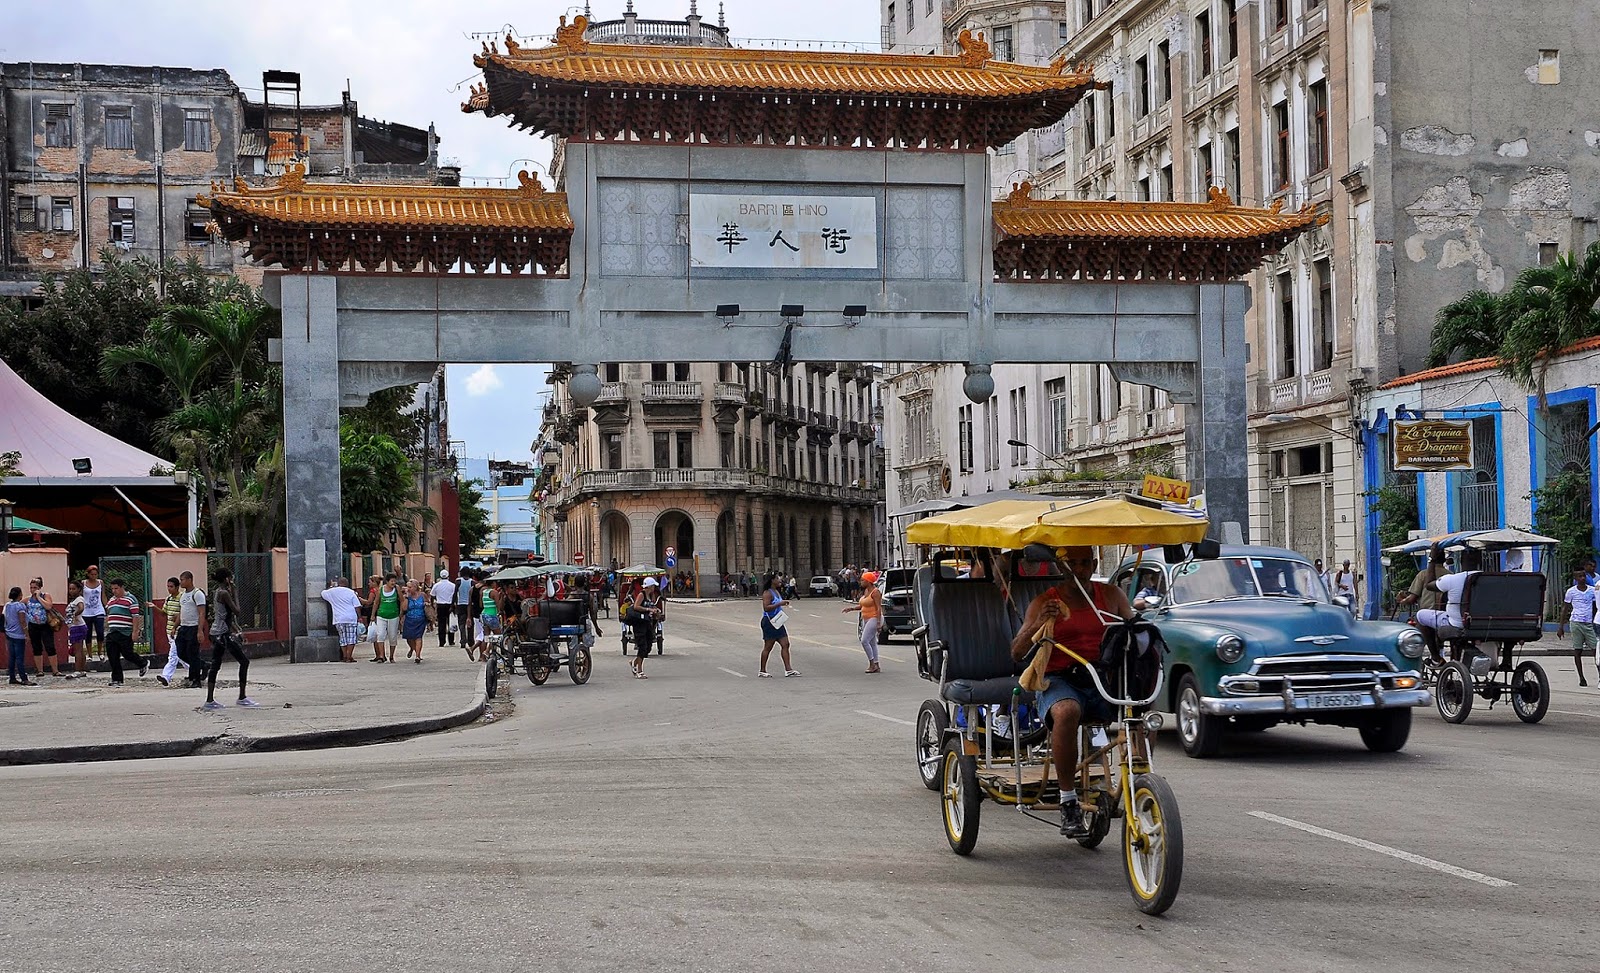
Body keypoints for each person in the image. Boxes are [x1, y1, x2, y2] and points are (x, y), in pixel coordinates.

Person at [1009, 546, 1135, 838]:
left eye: (1083, 563)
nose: (1078, 570)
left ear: (1094, 564)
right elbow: (1017, 652)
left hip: (1101, 678)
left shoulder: (1112, 596)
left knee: (1142, 708)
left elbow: (1132, 626)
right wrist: (1041, 622)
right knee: (1067, 711)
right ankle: (1068, 801)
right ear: (1060, 567)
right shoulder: (1045, 601)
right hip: (1059, 680)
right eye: (1071, 564)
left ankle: (1138, 781)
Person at [203, 568, 255, 709]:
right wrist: (236, 593)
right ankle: (242, 697)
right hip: (222, 634)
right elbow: (236, 611)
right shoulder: (224, 593)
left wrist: (237, 630)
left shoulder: (217, 592)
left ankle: (210, 700)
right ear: (227, 579)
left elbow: (225, 616)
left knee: (216, 665)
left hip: (217, 632)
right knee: (244, 661)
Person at [1417, 549, 1483, 652]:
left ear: (1460, 561)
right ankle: (1506, 658)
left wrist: (1431, 560)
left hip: (1456, 623)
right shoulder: (1493, 578)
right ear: (1480, 561)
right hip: (1485, 622)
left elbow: (1429, 585)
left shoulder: (1452, 579)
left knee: (1420, 615)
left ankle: (1435, 657)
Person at [1398, 545, 1448, 662]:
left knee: (1416, 622)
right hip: (1446, 614)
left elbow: (1411, 599)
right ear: (1444, 559)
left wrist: (1402, 601)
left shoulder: (1423, 575)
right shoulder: (1450, 574)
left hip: (1428, 615)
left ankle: (1434, 655)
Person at [1557, 567, 1598, 688]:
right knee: (1577, 650)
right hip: (1576, 622)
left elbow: (1596, 607)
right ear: (1575, 578)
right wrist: (1561, 626)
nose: (1582, 578)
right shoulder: (1571, 592)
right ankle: (1581, 677)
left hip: (1589, 623)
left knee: (1596, 650)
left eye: (1584, 576)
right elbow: (1565, 608)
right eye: (1580, 576)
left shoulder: (1592, 590)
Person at [103, 578, 148, 686]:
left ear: (122, 587)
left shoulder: (131, 599)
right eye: (112, 588)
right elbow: (110, 612)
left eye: (116, 588)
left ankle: (142, 663)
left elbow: (135, 617)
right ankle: (117, 679)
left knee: (127, 653)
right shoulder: (112, 600)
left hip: (125, 632)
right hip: (113, 631)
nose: (114, 591)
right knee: (113, 656)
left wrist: (135, 631)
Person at [758, 572, 799, 678]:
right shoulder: (768, 593)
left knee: (785, 644)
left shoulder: (776, 591)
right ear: (772, 580)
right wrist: (779, 604)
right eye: (777, 578)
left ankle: (788, 669)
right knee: (768, 646)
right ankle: (762, 670)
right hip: (769, 622)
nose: (779, 580)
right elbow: (766, 607)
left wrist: (782, 604)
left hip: (778, 621)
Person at [842, 570, 883, 673]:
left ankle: (872, 664)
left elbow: (878, 608)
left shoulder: (875, 592)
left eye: (863, 580)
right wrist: (851, 609)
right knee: (872, 642)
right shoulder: (865, 591)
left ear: (869, 581)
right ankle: (876, 665)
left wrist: (878, 623)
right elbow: (862, 605)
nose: (861, 582)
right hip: (866, 618)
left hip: (874, 618)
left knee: (864, 640)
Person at [172, 571, 209, 686]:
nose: (181, 582)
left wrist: (200, 630)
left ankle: (195, 679)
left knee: (193, 653)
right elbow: (181, 612)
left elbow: (201, 613)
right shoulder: (183, 595)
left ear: (189, 580)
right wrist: (175, 627)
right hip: (184, 627)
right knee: (181, 652)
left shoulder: (197, 594)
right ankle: (203, 665)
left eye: (182, 580)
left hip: (193, 627)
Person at [155, 577, 190, 687]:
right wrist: (154, 607)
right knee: (180, 656)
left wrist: (176, 624)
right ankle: (196, 670)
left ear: (177, 587)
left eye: (171, 587)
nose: (169, 589)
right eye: (168, 586)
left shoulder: (182, 598)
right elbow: (164, 613)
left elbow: (184, 613)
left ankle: (166, 676)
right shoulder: (169, 599)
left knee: (173, 655)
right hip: (170, 631)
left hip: (179, 631)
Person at [627, 577, 665, 678]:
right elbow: (636, 606)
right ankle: (639, 670)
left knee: (648, 645)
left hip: (647, 622)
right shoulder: (641, 594)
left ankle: (635, 663)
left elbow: (652, 606)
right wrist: (648, 609)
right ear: (649, 586)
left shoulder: (650, 596)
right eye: (653, 586)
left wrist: (655, 610)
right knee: (642, 646)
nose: (654, 588)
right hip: (639, 623)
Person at [321, 577, 363, 663]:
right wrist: (359, 617)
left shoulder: (332, 592)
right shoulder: (351, 592)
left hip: (339, 618)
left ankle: (344, 656)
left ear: (338, 583)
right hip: (351, 617)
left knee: (343, 638)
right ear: (347, 584)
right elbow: (357, 606)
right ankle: (349, 656)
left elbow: (323, 593)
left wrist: (331, 586)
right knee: (351, 638)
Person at [25, 578, 59, 679]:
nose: (32, 590)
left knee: (50, 646)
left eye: (35, 587)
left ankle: (55, 670)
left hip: (45, 625)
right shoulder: (28, 599)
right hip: (33, 625)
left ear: (40, 588)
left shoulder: (45, 596)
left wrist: (39, 597)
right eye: (31, 588)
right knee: (36, 648)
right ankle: (40, 670)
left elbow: (48, 606)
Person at [370, 573, 403, 663]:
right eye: (391, 581)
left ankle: (391, 656)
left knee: (392, 637)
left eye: (394, 581)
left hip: (394, 616)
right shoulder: (381, 589)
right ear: (387, 582)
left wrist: (401, 614)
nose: (393, 583)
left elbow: (402, 600)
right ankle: (381, 656)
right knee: (380, 635)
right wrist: (373, 615)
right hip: (381, 615)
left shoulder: (397, 589)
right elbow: (376, 602)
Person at [80, 563, 107, 661]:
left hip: (98, 610)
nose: (94, 576)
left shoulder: (100, 583)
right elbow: (80, 596)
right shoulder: (83, 583)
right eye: (92, 574)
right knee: (88, 633)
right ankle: (89, 653)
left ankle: (100, 652)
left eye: (95, 574)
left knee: (100, 631)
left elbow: (103, 595)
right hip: (86, 611)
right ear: (88, 574)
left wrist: (106, 606)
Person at [5, 586, 31, 685]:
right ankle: (24, 678)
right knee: (20, 658)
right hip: (18, 635)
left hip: (9, 633)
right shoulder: (20, 606)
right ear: (20, 595)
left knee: (12, 657)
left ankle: (12, 677)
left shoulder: (8, 605)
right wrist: (27, 634)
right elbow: (22, 621)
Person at [402, 579, 430, 663]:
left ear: (415, 587)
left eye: (410, 587)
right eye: (407, 587)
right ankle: (412, 648)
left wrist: (427, 604)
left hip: (420, 619)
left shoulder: (422, 595)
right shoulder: (407, 597)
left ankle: (418, 656)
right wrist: (406, 597)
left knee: (418, 637)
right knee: (409, 638)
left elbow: (428, 604)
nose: (408, 589)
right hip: (409, 619)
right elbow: (404, 608)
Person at [64, 581, 89, 678]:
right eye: (70, 589)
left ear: (79, 589)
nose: (71, 591)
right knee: (80, 650)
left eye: (73, 589)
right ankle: (82, 669)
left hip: (77, 626)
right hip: (76, 626)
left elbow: (81, 608)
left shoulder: (79, 599)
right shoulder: (74, 600)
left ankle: (78, 670)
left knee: (77, 650)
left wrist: (75, 615)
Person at [430, 570, 457, 647]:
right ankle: (451, 640)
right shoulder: (452, 585)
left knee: (441, 624)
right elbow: (455, 596)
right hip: (450, 605)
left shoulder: (436, 585)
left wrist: (433, 603)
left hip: (440, 605)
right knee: (451, 623)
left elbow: (432, 595)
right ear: (448, 576)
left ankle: (442, 641)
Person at [454, 569, 476, 659]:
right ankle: (471, 641)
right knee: (470, 623)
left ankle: (463, 640)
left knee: (461, 624)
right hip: (470, 604)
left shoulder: (458, 581)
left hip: (460, 604)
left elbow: (455, 593)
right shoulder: (473, 582)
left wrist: (453, 604)